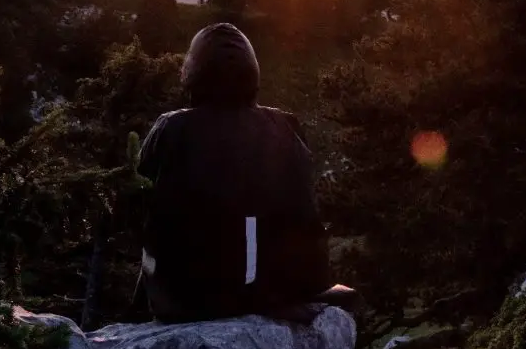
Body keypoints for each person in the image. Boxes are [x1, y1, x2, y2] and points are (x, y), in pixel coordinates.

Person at [132, 22, 358, 323]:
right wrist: (314, 284)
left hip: (184, 299)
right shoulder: (284, 128)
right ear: (253, 73)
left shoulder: (172, 128)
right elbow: (306, 215)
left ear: (194, 73)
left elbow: (138, 206)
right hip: (272, 295)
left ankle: (140, 307)